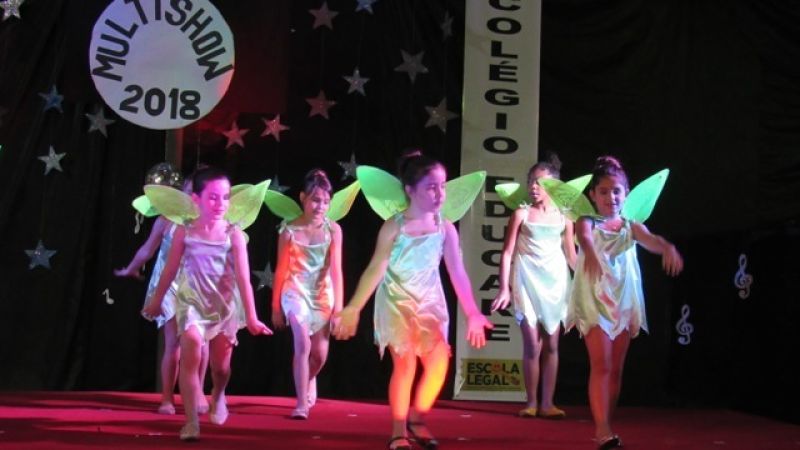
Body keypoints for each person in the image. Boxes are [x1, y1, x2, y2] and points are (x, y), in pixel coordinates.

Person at [333, 151, 493, 450]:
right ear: (410, 190)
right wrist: (354, 307)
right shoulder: (394, 226)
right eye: (431, 187)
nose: (440, 193)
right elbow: (376, 268)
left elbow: (457, 271)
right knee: (405, 366)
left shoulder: (445, 227)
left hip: (430, 302)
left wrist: (473, 312)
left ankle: (417, 418)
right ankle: (398, 432)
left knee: (438, 366)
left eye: (442, 186)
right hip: (397, 301)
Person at [142, 166, 272, 441]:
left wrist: (251, 317)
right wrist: (156, 301)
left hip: (223, 308)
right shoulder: (184, 231)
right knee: (191, 355)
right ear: (196, 199)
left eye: (225, 197)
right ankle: (191, 422)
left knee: (220, 368)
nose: (220, 204)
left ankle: (218, 393)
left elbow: (244, 279)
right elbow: (169, 270)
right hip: (191, 304)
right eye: (212, 197)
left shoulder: (233, 234)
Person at [569, 156, 683, 449]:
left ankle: (606, 421)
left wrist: (667, 247)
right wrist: (591, 253)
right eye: (604, 191)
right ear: (593, 195)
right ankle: (602, 429)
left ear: (627, 193)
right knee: (602, 365)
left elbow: (651, 239)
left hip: (623, 299)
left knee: (616, 370)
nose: (611, 197)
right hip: (595, 298)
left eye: (617, 191)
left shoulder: (631, 226)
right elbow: (584, 237)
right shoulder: (587, 221)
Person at [491, 155, 576, 419]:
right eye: (531, 182)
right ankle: (531, 402)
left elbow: (571, 255)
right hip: (526, 279)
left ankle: (548, 403)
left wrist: (588, 281)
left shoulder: (565, 216)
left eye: (540, 182)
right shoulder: (522, 213)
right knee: (531, 343)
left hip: (555, 281)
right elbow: (507, 253)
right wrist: (504, 288)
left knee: (552, 343)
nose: (534, 187)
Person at [115, 179, 210, 416]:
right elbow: (147, 249)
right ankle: (167, 397)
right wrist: (131, 268)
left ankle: (197, 391)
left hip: (198, 285)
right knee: (173, 341)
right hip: (169, 285)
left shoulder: (208, 222)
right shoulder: (166, 220)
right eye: (188, 191)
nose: (192, 197)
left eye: (198, 192)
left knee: (201, 341)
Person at [271, 169, 343, 420]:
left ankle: (309, 378)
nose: (320, 206)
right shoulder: (288, 231)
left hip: (322, 294)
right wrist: (275, 307)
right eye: (315, 200)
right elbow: (281, 270)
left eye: (325, 201)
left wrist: (339, 309)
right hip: (295, 291)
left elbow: (337, 271)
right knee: (302, 342)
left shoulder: (334, 230)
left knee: (320, 355)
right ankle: (301, 403)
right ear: (303, 197)